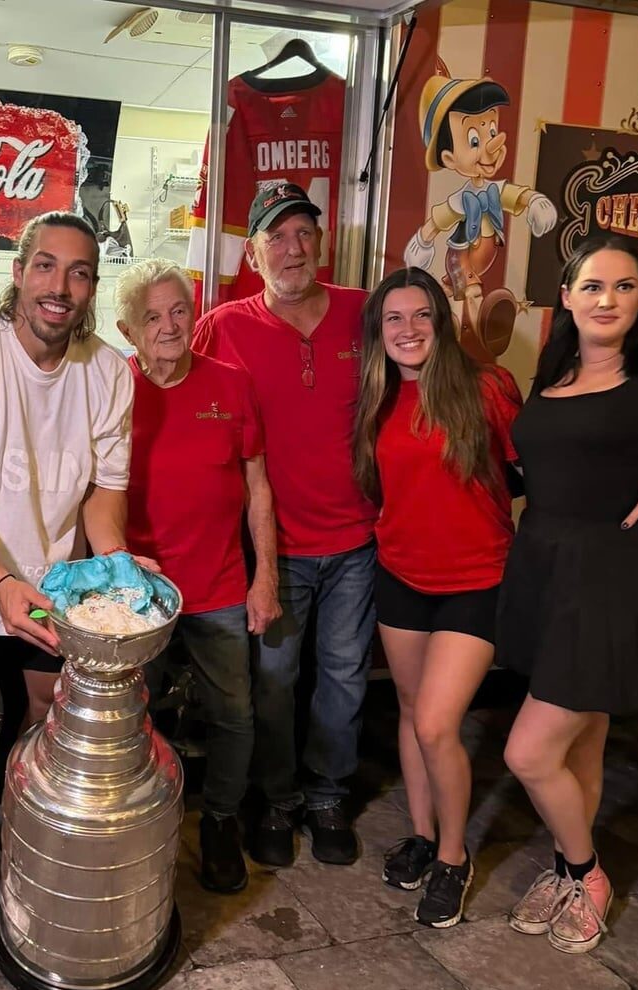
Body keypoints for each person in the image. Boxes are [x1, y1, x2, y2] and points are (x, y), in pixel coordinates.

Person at [0, 211, 135, 990]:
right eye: (46, 267)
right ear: (18, 271)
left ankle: (29, 869)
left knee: (51, 727)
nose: (60, 287)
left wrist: (122, 578)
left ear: (91, 290)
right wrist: (3, 585)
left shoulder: (110, 371)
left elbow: (105, 500)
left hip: (50, 584)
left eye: (79, 274)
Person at [192, 182, 376, 867]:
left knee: (345, 678)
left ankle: (327, 794)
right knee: (273, 683)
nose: (293, 247)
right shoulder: (225, 325)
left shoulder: (364, 314)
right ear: (253, 253)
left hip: (356, 542)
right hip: (273, 550)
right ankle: (277, 802)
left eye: (304, 233)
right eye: (277, 236)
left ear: (320, 242)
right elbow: (182, 401)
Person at [497, 236, 638, 954]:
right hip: (544, 564)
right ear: (565, 295)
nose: (607, 299)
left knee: (529, 752)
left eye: (625, 287)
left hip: (609, 573)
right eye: (593, 285)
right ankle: (568, 867)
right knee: (583, 736)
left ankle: (589, 874)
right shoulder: (552, 372)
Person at [353, 267, 521, 927]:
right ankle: (422, 837)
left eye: (421, 315)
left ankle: (454, 856)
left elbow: (537, 466)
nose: (408, 329)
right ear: (379, 332)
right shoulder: (377, 397)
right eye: (394, 319)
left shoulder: (486, 388)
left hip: (476, 581)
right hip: (400, 576)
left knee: (436, 724)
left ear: (440, 321)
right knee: (408, 710)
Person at [115, 258, 280, 894]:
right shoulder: (112, 387)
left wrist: (263, 577)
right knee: (132, 715)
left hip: (218, 587)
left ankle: (218, 823)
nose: (168, 326)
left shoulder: (231, 384)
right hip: (137, 596)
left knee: (234, 715)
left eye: (179, 311)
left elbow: (258, 486)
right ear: (129, 330)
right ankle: (136, 823)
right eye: (152, 317)